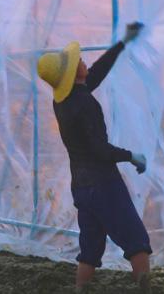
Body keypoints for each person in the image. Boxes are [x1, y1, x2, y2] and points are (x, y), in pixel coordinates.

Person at [37, 22, 152, 292]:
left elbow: (94, 74)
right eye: (77, 61)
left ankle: (80, 289)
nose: (82, 60)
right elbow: (100, 150)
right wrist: (131, 156)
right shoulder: (86, 104)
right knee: (137, 242)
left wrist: (122, 44)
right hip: (103, 184)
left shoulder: (63, 101)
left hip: (82, 186)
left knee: (90, 248)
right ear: (70, 74)